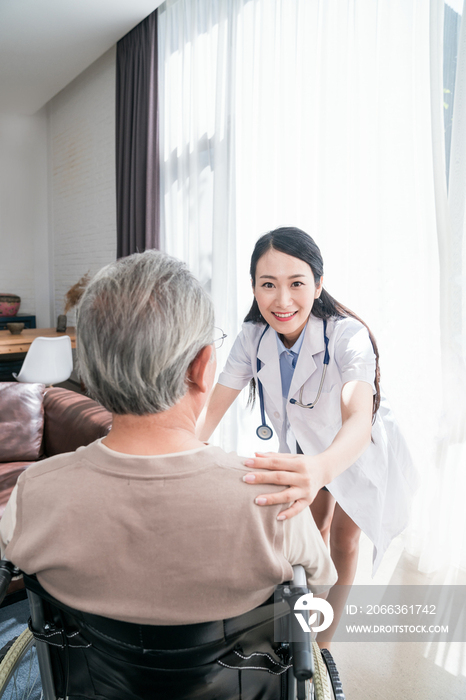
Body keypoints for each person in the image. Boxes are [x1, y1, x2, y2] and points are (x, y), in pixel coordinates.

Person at [0, 249, 336, 628]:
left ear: (88, 372)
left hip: (83, 683)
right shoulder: (277, 502)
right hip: (237, 684)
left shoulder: (33, 493)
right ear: (201, 368)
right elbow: (317, 592)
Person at [198, 226, 417, 645]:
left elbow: (358, 415)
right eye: (268, 285)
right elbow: (211, 408)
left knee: (344, 541)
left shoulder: (348, 336)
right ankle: (302, 619)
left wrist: (321, 467)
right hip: (305, 444)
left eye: (296, 283)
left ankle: (322, 646)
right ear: (253, 288)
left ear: (318, 284)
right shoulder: (252, 337)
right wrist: (178, 450)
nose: (282, 301)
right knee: (309, 531)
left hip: (356, 448)